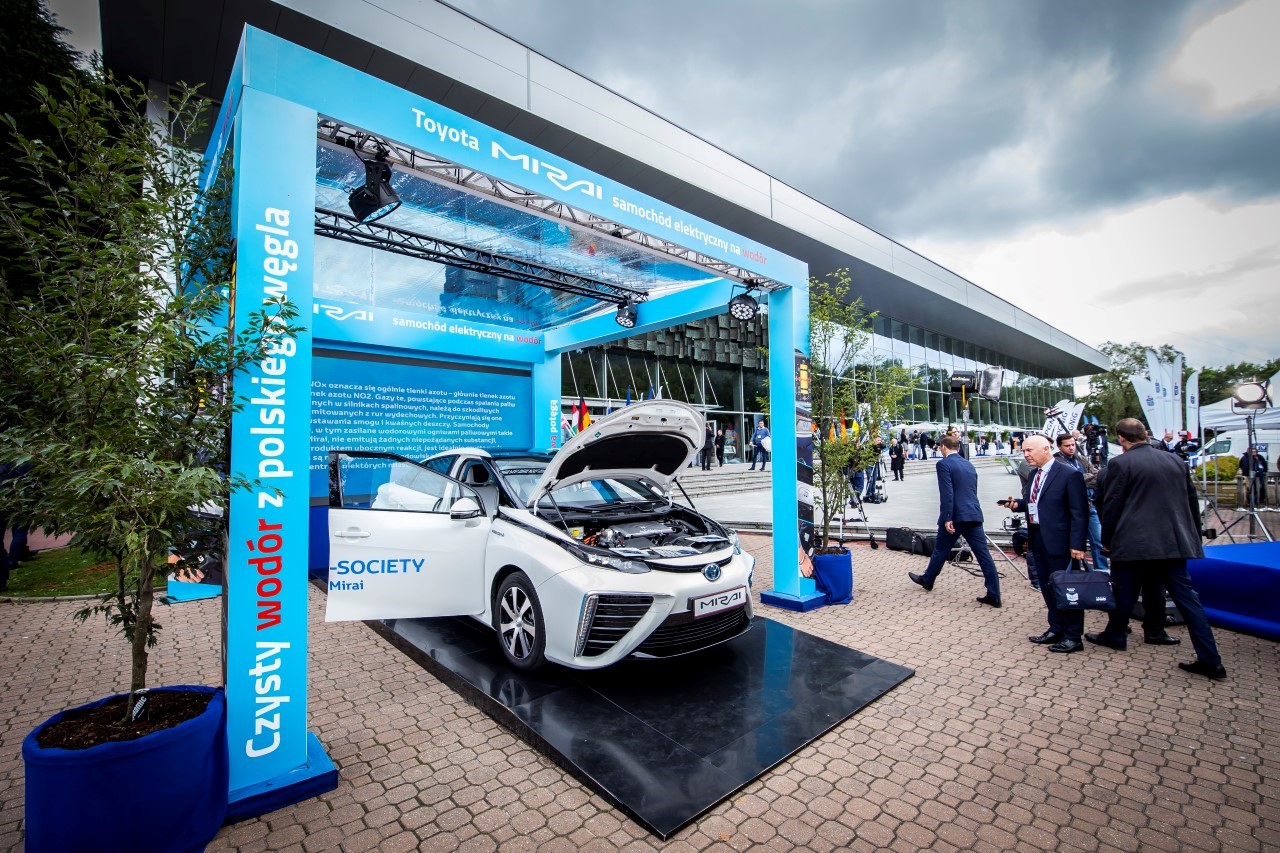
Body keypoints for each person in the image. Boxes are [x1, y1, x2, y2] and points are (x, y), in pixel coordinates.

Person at [1088, 418, 1226, 680]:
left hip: (1133, 542)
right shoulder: (1175, 461)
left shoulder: (1120, 463)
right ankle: (1210, 659)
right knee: (1188, 600)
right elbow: (1191, 501)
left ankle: (1116, 635)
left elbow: (1112, 504)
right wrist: (1193, 537)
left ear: (1121, 438)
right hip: (1173, 542)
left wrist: (1106, 539)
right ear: (1145, 434)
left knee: (1124, 592)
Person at [1006, 433, 1089, 653]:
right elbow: (1035, 502)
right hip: (1038, 538)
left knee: (1067, 588)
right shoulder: (1034, 474)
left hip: (1062, 543)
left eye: (1029, 450)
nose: (1025, 455)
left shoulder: (1069, 474)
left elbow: (1080, 513)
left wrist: (1077, 545)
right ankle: (1056, 628)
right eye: (1023, 451)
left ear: (1045, 449)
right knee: (1047, 586)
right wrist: (1018, 505)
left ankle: (1073, 636)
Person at [909, 434, 1003, 607]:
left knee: (941, 549)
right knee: (983, 555)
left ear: (944, 447)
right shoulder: (968, 464)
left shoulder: (943, 464)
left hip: (956, 515)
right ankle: (994, 593)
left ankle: (928, 579)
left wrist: (947, 517)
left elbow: (947, 492)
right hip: (973, 513)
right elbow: (972, 490)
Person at [1055, 432, 1108, 572]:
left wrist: (1082, 479)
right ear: (1059, 446)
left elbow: (1097, 476)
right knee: (1074, 542)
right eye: (1067, 446)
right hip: (1070, 509)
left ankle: (1102, 570)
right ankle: (1075, 571)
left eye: (1073, 444)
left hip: (1089, 505)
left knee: (1098, 539)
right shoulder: (1057, 462)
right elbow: (1070, 480)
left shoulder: (1080, 459)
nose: (1071, 448)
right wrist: (1081, 479)